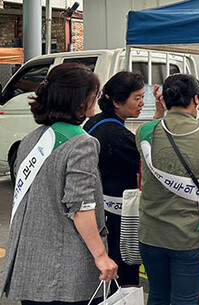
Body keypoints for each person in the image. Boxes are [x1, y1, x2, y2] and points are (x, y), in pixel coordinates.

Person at [2, 62, 118, 304]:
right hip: (66, 272)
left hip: (31, 266)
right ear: (79, 99)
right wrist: (101, 256)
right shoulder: (81, 143)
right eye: (93, 94)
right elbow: (81, 208)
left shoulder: (31, 139)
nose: (96, 99)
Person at [135, 73, 199, 305]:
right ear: (196, 99)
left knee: (157, 295)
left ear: (164, 99)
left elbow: (155, 128)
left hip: (150, 234)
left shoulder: (143, 132)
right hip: (190, 235)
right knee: (185, 299)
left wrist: (160, 112)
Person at [83, 71, 145, 290]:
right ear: (117, 101)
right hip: (120, 219)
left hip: (100, 212)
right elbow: (145, 165)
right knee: (123, 276)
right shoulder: (117, 136)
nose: (142, 103)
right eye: (137, 97)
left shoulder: (95, 123)